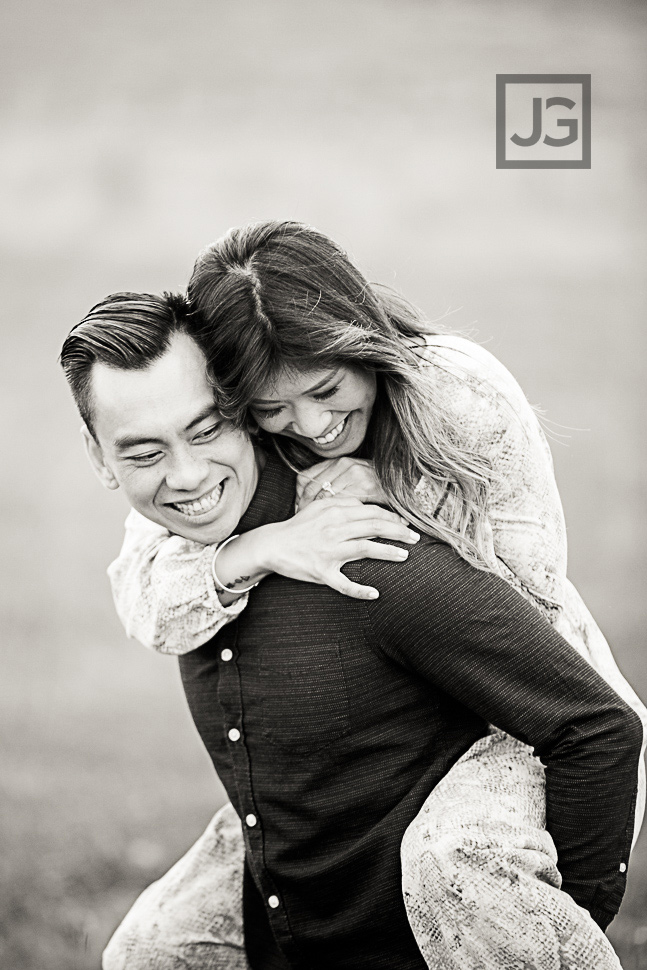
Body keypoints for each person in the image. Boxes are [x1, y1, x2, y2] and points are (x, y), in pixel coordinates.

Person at [60, 292, 641, 970]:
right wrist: (244, 554)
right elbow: (144, 599)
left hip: (442, 908)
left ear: (243, 411)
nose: (185, 476)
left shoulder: (365, 553)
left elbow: (596, 725)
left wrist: (560, 917)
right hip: (303, 912)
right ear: (100, 456)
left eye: (207, 428)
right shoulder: (178, 560)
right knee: (147, 954)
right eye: (143, 452)